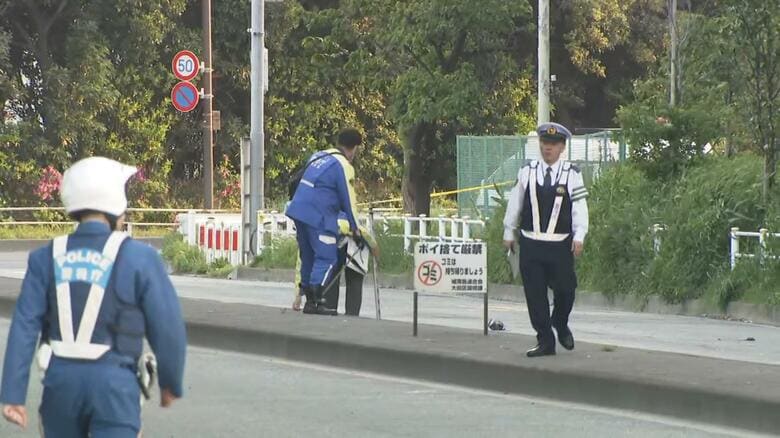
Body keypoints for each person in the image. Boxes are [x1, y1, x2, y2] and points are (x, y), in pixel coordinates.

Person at [1, 157, 187, 437]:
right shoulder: (140, 258)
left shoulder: (45, 258)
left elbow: (24, 326)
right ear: (115, 206)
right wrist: (170, 383)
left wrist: (13, 394)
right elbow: (168, 325)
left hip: (60, 386)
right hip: (116, 388)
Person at [502, 122, 589, 358]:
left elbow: (579, 208)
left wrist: (579, 235)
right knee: (535, 294)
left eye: (552, 144)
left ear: (562, 147)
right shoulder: (527, 171)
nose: (547, 148)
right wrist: (508, 232)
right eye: (544, 143)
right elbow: (515, 203)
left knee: (566, 290)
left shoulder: (572, 174)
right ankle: (545, 341)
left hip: (560, 244)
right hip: (531, 243)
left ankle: (560, 323)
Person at [286, 128, 362, 316]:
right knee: (327, 257)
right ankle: (316, 300)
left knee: (308, 256)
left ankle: (309, 299)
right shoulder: (343, 165)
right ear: (354, 149)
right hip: (318, 215)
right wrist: (355, 229)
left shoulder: (318, 156)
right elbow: (348, 200)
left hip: (298, 210)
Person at [293, 213, 379, 316]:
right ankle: (330, 312)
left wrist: (374, 246)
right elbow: (301, 266)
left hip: (353, 242)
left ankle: (352, 316)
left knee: (354, 278)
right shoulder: (306, 240)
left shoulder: (334, 222)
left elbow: (361, 231)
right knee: (329, 277)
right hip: (333, 246)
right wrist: (298, 295)